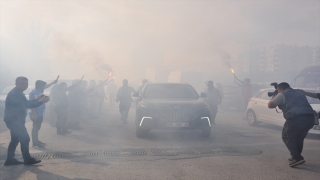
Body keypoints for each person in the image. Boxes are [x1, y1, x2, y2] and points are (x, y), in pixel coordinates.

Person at [4, 77, 49, 166]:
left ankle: (10, 160)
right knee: (25, 139)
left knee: (15, 139)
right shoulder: (15, 94)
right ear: (16, 84)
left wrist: (37, 99)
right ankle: (27, 159)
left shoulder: (18, 93)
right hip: (14, 121)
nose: (25, 85)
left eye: (26, 84)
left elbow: (25, 102)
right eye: (22, 83)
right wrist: (42, 102)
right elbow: (26, 105)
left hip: (14, 120)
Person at [268, 82, 314, 167]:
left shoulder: (282, 94)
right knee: (299, 138)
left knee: (286, 136)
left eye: (278, 90)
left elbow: (271, 105)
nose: (278, 92)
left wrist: (274, 97)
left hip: (296, 118)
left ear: (281, 88)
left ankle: (297, 158)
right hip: (310, 118)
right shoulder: (298, 92)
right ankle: (296, 157)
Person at [29, 77, 59, 148]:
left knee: (37, 128)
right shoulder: (33, 93)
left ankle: (37, 141)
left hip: (40, 113)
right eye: (43, 86)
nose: (44, 87)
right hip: (36, 114)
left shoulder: (39, 91)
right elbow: (32, 104)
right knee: (35, 128)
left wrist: (53, 82)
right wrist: (34, 114)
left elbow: (46, 86)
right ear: (40, 86)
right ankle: (35, 143)